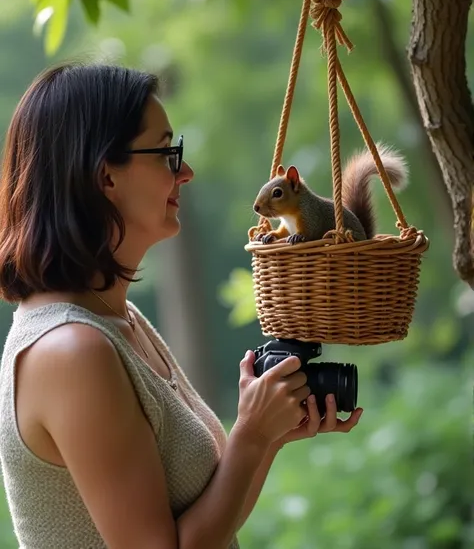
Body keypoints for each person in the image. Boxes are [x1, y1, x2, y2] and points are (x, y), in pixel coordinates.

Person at [0, 63, 363, 549]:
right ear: (106, 176)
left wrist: (267, 433)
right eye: (168, 152)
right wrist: (250, 438)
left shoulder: (120, 320)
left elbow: (207, 527)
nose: (185, 172)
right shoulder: (71, 352)